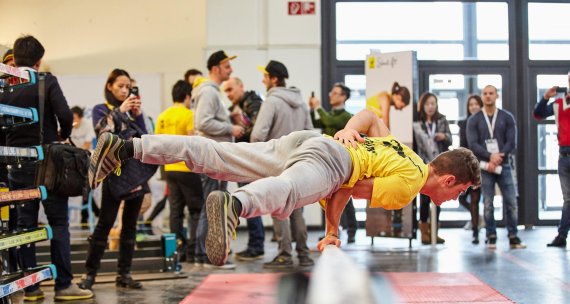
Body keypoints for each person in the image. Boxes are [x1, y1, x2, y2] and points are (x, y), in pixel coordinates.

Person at [89, 108, 480, 267]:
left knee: (220, 155)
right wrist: (330, 231)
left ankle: (126, 147)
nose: (454, 199)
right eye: (458, 192)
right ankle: (235, 206)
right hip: (331, 161)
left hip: (308, 141)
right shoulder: (409, 187)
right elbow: (343, 190)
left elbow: (372, 117)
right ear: (447, 180)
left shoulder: (409, 155)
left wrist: (347, 128)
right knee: (289, 192)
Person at [0, 35, 93, 301]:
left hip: (16, 165)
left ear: (14, 60)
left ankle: (31, 287)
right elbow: (65, 114)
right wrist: (62, 135)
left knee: (25, 226)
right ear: (39, 61)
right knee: (59, 223)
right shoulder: (45, 82)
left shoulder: (5, 87)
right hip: (49, 164)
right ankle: (64, 285)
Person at [79, 68, 151, 290]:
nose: (124, 90)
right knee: (105, 224)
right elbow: (103, 133)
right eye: (120, 85)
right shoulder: (102, 109)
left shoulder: (134, 111)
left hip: (136, 173)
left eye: (128, 86)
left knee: (130, 226)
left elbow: (146, 138)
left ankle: (124, 274)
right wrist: (120, 110)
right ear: (109, 86)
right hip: (113, 173)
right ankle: (89, 275)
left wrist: (137, 115)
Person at [253, 60, 314, 268]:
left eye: (265, 76)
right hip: (299, 163)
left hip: (276, 163)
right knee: (296, 207)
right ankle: (304, 254)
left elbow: (257, 134)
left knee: (279, 209)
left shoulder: (272, 101)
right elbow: (311, 133)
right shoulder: (301, 103)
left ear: (274, 79)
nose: (263, 80)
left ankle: (284, 254)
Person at [191, 50, 244, 269]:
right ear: (215, 69)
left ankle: (203, 254)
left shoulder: (213, 93)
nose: (230, 70)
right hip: (212, 156)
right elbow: (204, 123)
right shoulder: (210, 93)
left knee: (212, 205)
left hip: (215, 155)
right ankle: (205, 255)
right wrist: (230, 127)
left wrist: (228, 119)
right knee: (212, 205)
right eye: (226, 66)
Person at [466, 85, 526, 249]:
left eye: (491, 93)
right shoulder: (474, 120)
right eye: (485, 94)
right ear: (482, 96)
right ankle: (491, 235)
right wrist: (489, 157)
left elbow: (511, 142)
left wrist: (498, 157)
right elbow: (473, 144)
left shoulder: (507, 117)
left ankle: (513, 236)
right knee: (488, 203)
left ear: (496, 95)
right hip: (485, 167)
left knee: (511, 202)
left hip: (504, 164)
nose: (488, 96)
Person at [155, 80, 203, 264]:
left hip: (169, 169)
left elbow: (157, 142)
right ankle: (194, 251)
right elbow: (193, 141)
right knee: (195, 210)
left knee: (175, 211)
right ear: (187, 96)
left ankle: (177, 252)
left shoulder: (162, 116)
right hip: (187, 168)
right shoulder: (189, 114)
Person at [222, 77, 266, 261]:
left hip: (251, 161)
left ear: (242, 86)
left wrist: (238, 128)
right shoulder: (238, 107)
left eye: (231, 89)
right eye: (226, 91)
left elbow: (255, 132)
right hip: (246, 160)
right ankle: (256, 244)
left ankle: (256, 246)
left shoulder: (253, 103)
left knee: (250, 203)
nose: (228, 94)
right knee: (249, 203)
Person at [309, 82, 357, 243]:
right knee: (328, 198)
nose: (331, 95)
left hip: (342, 162)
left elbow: (328, 122)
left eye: (336, 93)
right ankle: (331, 230)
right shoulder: (330, 114)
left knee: (345, 197)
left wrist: (318, 107)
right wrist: (312, 109)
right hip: (329, 161)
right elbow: (316, 123)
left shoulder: (345, 116)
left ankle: (352, 230)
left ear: (344, 97)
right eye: (331, 92)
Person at [533, 75, 570, 247]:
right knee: (568, 199)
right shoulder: (559, 104)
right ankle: (562, 236)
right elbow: (538, 115)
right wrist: (546, 97)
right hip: (564, 157)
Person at [413, 92, 452, 244]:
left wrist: (444, 137)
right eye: (427, 104)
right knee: (423, 200)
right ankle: (424, 233)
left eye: (433, 104)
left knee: (437, 199)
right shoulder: (417, 123)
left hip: (440, 165)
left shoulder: (442, 120)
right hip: (423, 165)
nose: (430, 107)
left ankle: (435, 232)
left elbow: (450, 138)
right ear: (422, 106)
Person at [458, 95, 483, 244]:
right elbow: (462, 146)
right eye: (470, 104)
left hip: (483, 165)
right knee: (462, 198)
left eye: (476, 104)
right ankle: (477, 220)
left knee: (476, 199)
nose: (473, 107)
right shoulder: (463, 124)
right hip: (468, 166)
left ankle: (476, 231)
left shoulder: (484, 123)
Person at [71, 106, 99, 229]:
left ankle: (86, 215)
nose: (73, 121)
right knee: (85, 188)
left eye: (75, 118)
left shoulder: (88, 125)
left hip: (85, 159)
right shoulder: (68, 125)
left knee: (85, 187)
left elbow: (86, 147)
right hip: (72, 160)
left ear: (81, 118)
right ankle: (95, 212)